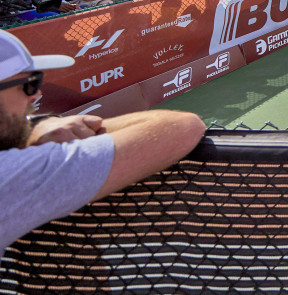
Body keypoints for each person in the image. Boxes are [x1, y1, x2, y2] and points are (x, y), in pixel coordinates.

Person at [0, 29, 206, 250]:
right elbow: (183, 128)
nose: (36, 95)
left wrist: (39, 123)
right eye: (29, 83)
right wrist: (42, 126)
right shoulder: (12, 174)